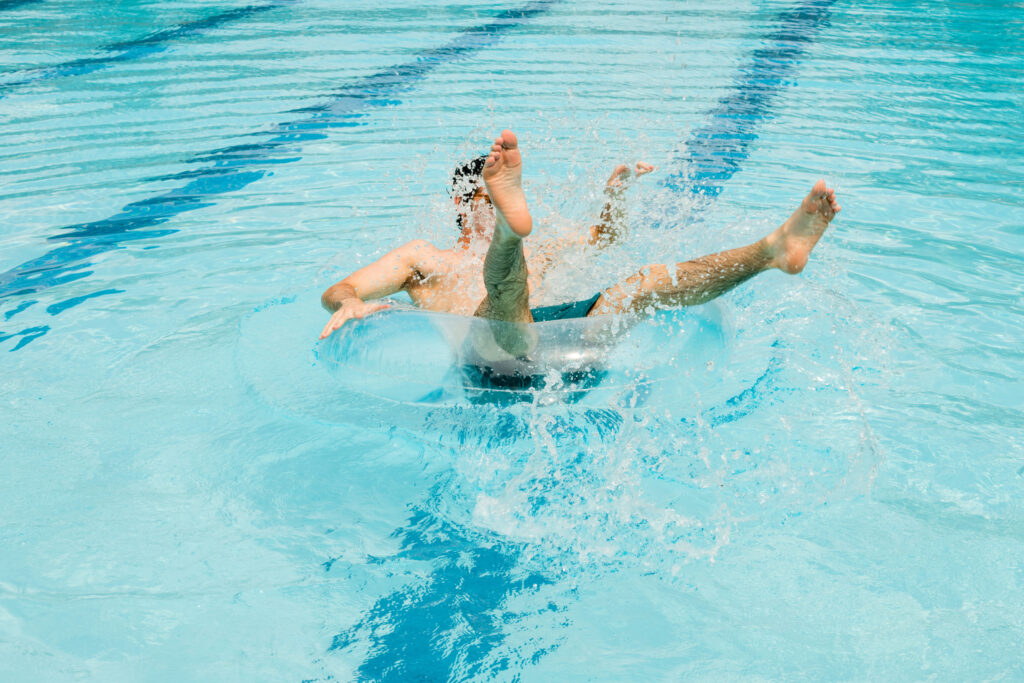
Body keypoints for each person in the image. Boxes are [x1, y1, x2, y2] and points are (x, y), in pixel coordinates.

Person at [319, 129, 840, 344]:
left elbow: (606, 238)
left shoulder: (545, 244)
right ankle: (507, 238)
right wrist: (352, 305)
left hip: (556, 344)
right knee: (503, 290)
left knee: (645, 281)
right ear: (462, 205)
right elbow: (340, 290)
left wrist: (615, 196)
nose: (491, 204)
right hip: (488, 354)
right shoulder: (423, 256)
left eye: (502, 200)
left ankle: (773, 251)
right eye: (489, 198)